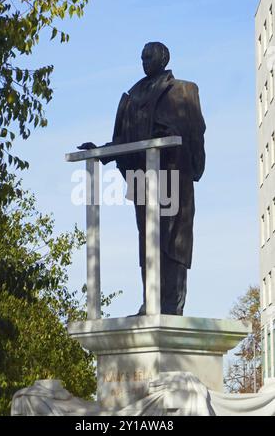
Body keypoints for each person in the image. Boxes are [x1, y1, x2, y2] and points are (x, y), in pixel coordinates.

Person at [78, 42, 206, 316]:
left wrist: (192, 165)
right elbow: (123, 140)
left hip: (172, 174)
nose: (144, 61)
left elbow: (195, 133)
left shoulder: (183, 90)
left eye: (149, 56)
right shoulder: (132, 97)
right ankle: (151, 302)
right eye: (142, 57)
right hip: (142, 177)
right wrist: (100, 151)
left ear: (164, 57)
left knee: (172, 241)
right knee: (147, 240)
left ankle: (171, 305)